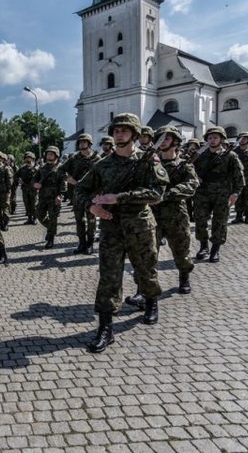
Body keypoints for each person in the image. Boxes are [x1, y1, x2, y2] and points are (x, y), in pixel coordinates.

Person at [75, 113, 169, 353]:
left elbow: (157, 194)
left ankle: (151, 303)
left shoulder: (149, 160)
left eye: (125, 130)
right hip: (112, 227)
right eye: (116, 130)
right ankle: (105, 328)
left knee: (145, 269)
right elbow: (80, 190)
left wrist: (120, 197)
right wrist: (92, 206)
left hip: (140, 225)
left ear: (135, 134)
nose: (119, 134)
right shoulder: (103, 164)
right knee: (109, 277)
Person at [148, 126, 199, 295]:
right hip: (152, 214)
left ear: (176, 142)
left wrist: (167, 195)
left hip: (176, 213)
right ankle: (147, 289)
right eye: (160, 139)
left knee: (181, 249)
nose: (162, 143)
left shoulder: (184, 165)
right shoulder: (151, 163)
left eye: (167, 139)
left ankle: (184, 277)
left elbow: (191, 185)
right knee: (148, 253)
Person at [193, 126, 245, 263]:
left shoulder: (230, 156)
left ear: (221, 139)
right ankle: (203, 246)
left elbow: (239, 176)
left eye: (215, 137)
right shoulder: (200, 156)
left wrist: (236, 193)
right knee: (200, 220)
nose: (212, 140)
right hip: (202, 192)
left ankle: (215, 249)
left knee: (220, 221)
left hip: (222, 193)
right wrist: (195, 177)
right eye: (210, 138)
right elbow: (191, 170)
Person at [61, 133, 101, 254]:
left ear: (89, 143)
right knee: (79, 220)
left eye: (85, 142)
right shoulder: (73, 158)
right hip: (77, 194)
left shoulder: (97, 159)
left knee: (91, 220)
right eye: (80, 142)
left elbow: (103, 177)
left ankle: (90, 244)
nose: (82, 144)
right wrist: (68, 179)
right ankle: (81, 243)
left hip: (92, 194)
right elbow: (59, 170)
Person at [34, 146, 66, 249]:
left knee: (53, 218)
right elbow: (34, 179)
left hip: (54, 197)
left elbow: (63, 183)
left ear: (56, 155)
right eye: (48, 154)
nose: (49, 156)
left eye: (51, 154)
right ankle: (51, 229)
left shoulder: (61, 168)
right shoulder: (42, 168)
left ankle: (51, 239)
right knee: (39, 214)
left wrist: (59, 195)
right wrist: (35, 184)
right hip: (43, 197)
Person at [14, 152, 39, 225]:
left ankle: (35, 218)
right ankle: (29, 218)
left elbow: (42, 177)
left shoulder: (37, 168)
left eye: (29, 158)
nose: (28, 159)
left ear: (33, 159)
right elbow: (15, 176)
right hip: (25, 189)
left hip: (33, 189)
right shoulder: (22, 169)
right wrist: (19, 180)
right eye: (27, 158)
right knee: (27, 204)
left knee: (34, 204)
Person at [0, 152, 13, 232]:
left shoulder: (6, 169)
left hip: (4, 192)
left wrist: (8, 192)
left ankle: (6, 223)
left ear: (2, 159)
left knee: (5, 210)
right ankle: (0, 223)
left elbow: (9, 181)